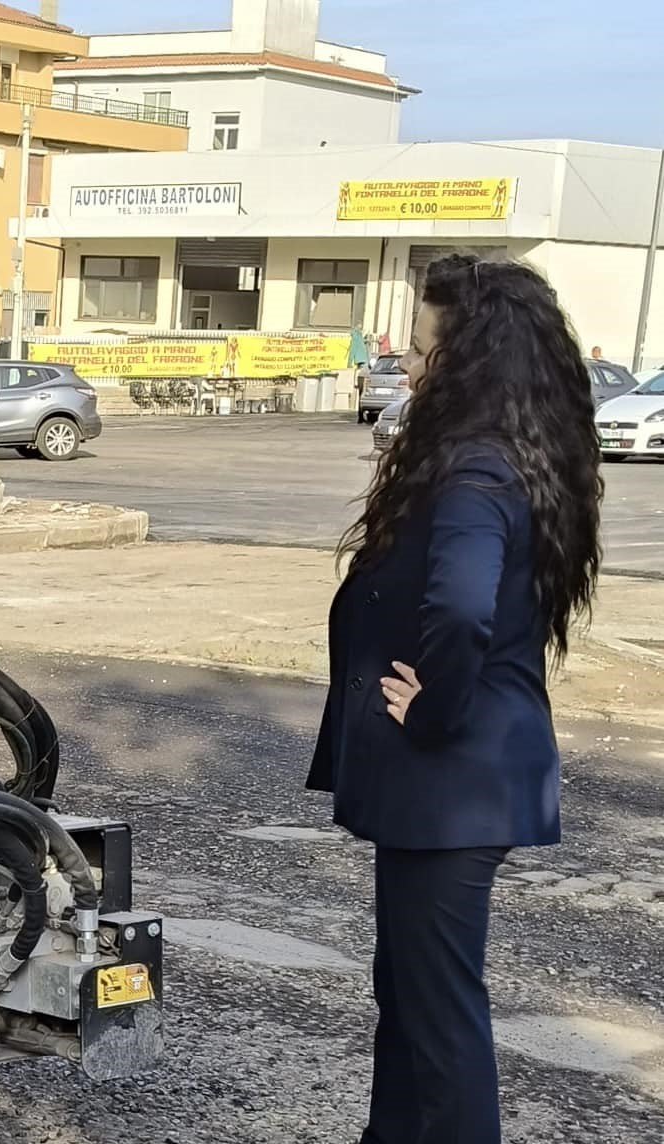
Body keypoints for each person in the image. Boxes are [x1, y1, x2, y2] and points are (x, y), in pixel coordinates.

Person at [310, 254, 602, 1143]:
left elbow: (465, 606)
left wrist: (430, 710)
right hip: (455, 785)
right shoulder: (510, 455)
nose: (406, 362)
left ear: (465, 358)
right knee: (406, 997)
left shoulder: (474, 469)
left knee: (437, 1019)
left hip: (454, 782)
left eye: (422, 348)